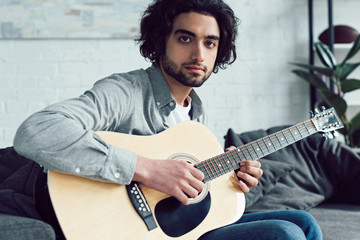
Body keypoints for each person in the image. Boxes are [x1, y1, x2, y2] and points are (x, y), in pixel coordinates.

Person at [1, 0, 322, 239]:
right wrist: (148, 169)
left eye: (210, 43)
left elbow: (181, 189)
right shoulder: (125, 91)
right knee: (285, 234)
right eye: (185, 38)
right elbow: (36, 131)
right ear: (160, 41)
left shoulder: (195, 110)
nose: (199, 53)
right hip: (112, 226)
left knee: (304, 222)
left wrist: (230, 180)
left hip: (171, 226)